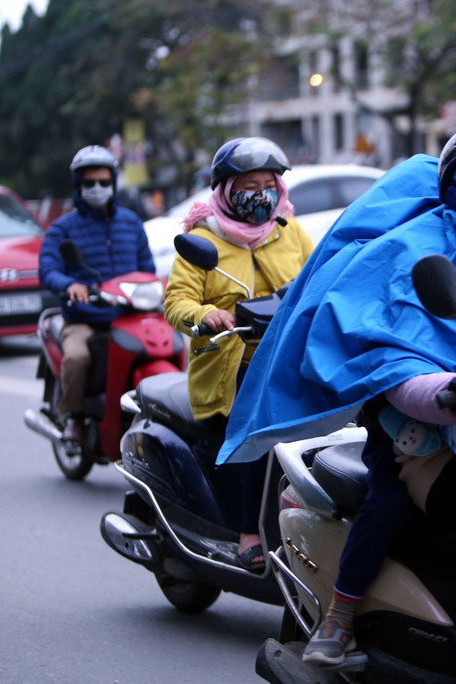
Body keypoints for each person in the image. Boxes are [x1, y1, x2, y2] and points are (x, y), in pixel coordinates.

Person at [217, 120, 456, 681]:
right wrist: (447, 387)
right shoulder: (414, 249)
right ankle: (350, 618)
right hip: (423, 440)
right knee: (425, 509)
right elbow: (386, 350)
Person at [163, 137, 313, 571]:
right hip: (232, 368)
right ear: (227, 189)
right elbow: (177, 302)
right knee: (262, 432)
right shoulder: (202, 239)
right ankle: (251, 531)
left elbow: (319, 280)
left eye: (270, 183)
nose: (262, 193)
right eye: (251, 184)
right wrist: (206, 314)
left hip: (287, 360)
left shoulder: (290, 232)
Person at [39, 145, 155, 445]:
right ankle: (74, 417)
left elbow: (148, 269)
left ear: (113, 183)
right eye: (89, 183)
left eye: (104, 182)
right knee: (77, 357)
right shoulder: (62, 228)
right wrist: (69, 286)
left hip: (129, 316)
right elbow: (48, 271)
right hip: (85, 318)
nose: (97, 188)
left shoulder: (131, 223)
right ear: (78, 186)